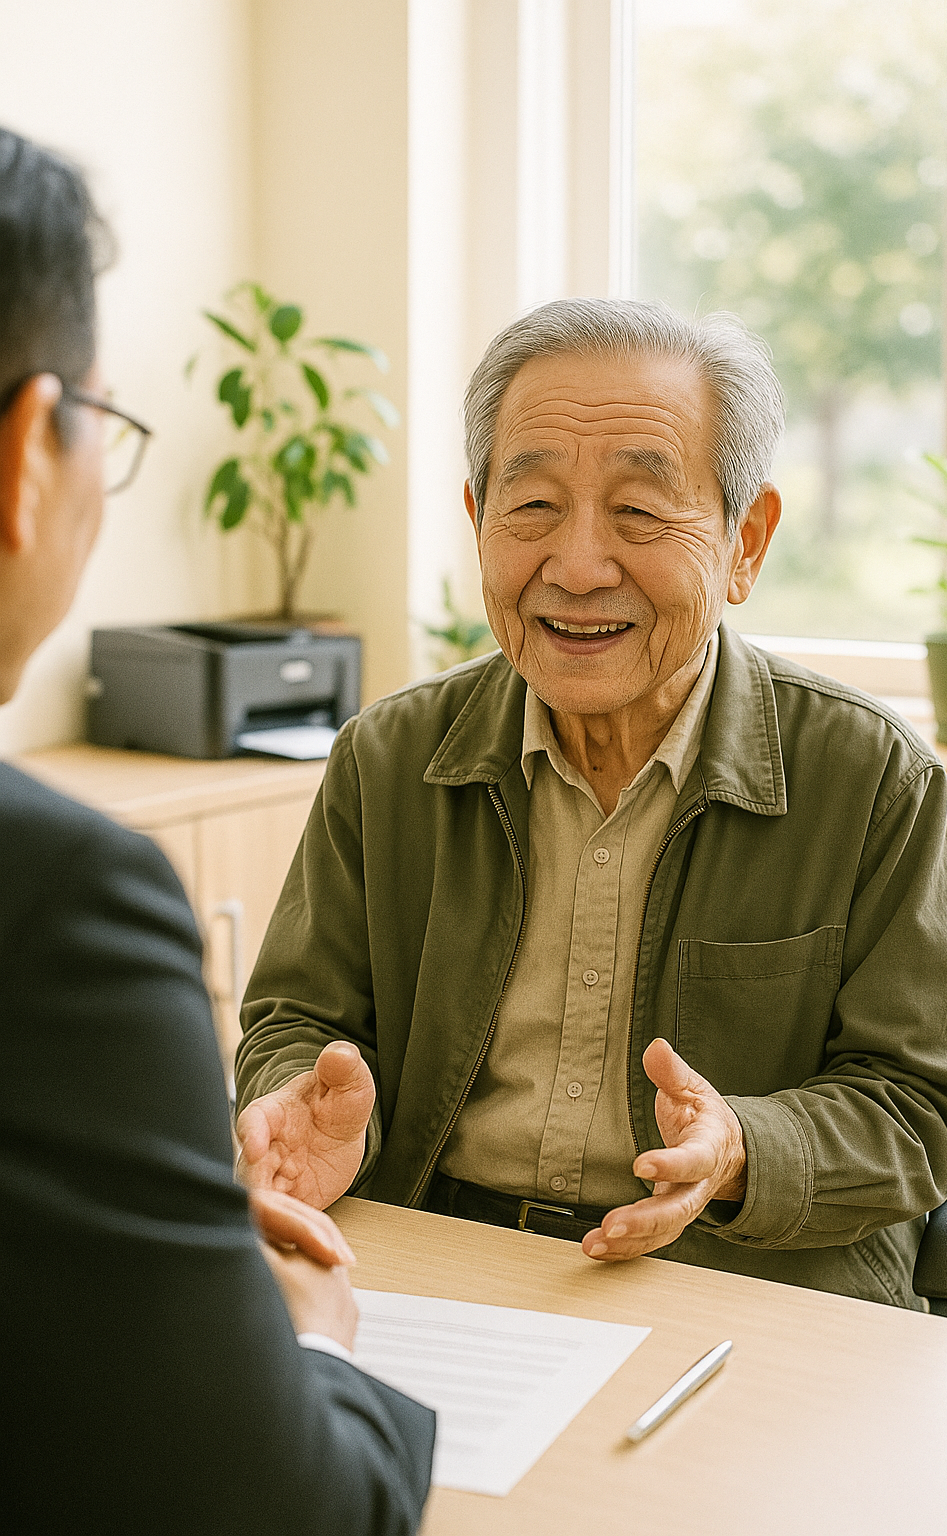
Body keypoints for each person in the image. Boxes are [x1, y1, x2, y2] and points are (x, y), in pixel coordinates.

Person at [235, 298, 947, 1311]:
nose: (579, 565)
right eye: (534, 506)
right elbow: (298, 1017)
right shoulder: (389, 757)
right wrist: (305, 1106)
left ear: (744, 543)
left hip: (733, 1275)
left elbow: (921, 1109)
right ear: (478, 521)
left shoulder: (870, 779)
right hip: (430, 1252)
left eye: (639, 511)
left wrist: (739, 1153)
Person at [0, 127, 433, 1532]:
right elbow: (287, 1508)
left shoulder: (867, 773)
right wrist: (306, 1330)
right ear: (28, 452)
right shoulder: (60, 899)